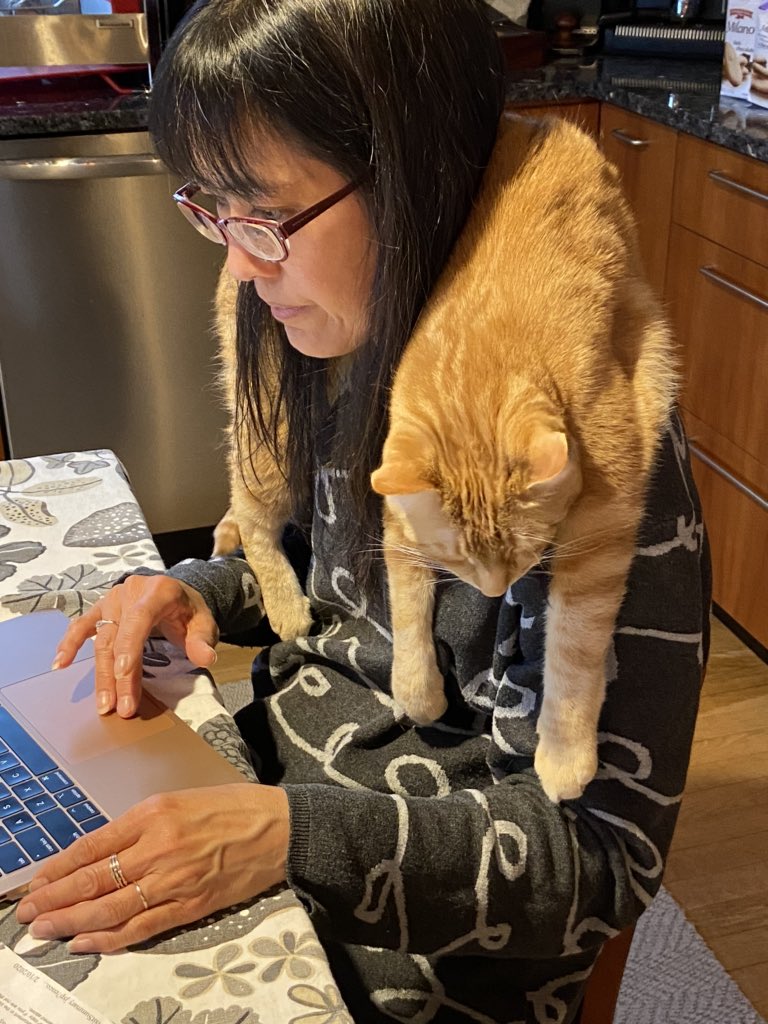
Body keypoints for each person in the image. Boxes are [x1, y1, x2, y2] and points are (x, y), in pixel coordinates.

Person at [15, 1, 712, 1021]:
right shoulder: (346, 322)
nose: (243, 266)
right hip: (274, 804)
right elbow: (314, 569)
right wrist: (198, 588)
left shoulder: (574, 443)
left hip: (426, 952)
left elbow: (602, 860)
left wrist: (290, 837)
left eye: (263, 214)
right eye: (208, 208)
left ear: (413, 170)